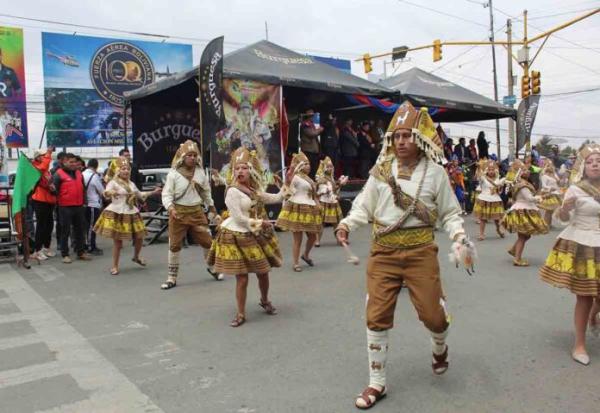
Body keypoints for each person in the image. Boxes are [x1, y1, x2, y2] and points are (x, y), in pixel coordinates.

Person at [335, 102, 472, 410]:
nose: (401, 142)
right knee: (376, 316)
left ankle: (440, 348)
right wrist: (346, 223)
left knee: (434, 318)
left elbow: (450, 213)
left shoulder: (435, 173)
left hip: (421, 252)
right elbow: (363, 207)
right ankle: (377, 383)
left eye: (407, 136)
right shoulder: (379, 172)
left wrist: (459, 237)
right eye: (396, 137)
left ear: (419, 138)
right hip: (383, 252)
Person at [207, 147, 288, 327]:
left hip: (253, 234)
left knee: (263, 272)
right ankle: (241, 313)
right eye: (237, 168)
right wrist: (261, 223)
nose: (240, 171)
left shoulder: (254, 189)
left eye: (244, 168)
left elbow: (275, 198)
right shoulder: (232, 191)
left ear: (250, 170)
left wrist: (286, 186)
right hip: (237, 235)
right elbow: (239, 219)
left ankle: (264, 300)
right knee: (242, 277)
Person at [539, 143, 600, 366]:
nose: (595, 165)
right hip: (583, 243)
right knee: (584, 295)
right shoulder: (576, 189)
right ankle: (580, 344)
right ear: (583, 167)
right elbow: (562, 218)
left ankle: (594, 316)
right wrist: (564, 208)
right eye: (591, 162)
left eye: (599, 161)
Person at [160, 140, 220, 290]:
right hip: (178, 214)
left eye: (195, 155)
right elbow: (166, 194)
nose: (192, 158)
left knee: (207, 241)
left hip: (197, 213)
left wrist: (212, 208)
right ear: (183, 157)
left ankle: (212, 267)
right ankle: (171, 278)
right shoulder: (173, 174)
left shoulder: (200, 173)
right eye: (189, 155)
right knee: (174, 245)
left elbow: (206, 192)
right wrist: (171, 208)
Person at [94, 157, 160, 275]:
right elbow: (105, 193)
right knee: (118, 242)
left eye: (128, 169)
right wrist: (111, 192)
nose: (126, 171)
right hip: (117, 213)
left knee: (139, 237)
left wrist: (153, 192)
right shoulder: (113, 182)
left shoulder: (131, 183)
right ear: (118, 170)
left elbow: (140, 195)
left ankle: (136, 257)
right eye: (123, 169)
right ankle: (114, 266)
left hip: (131, 212)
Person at [276, 151, 323, 272]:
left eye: (309, 163)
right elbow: (287, 184)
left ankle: (305, 255)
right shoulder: (296, 177)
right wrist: (291, 170)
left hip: (310, 208)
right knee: (298, 238)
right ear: (300, 165)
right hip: (298, 208)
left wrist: (317, 203)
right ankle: (296, 263)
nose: (309, 166)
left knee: (313, 236)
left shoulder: (309, 179)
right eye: (305, 163)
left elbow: (313, 195)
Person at [502, 160, 548, 266]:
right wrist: (540, 198)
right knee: (523, 236)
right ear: (519, 172)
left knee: (526, 236)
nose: (527, 171)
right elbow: (529, 198)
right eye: (524, 170)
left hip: (525, 209)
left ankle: (514, 250)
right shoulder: (522, 185)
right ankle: (517, 259)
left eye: (527, 170)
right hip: (523, 210)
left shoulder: (524, 183)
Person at [53, 153, 92, 263]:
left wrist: (85, 202)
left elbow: (83, 189)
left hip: (79, 206)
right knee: (65, 231)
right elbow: (54, 191)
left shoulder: (79, 173)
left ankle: (80, 252)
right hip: (65, 207)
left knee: (80, 230)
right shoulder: (58, 174)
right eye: (71, 162)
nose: (73, 164)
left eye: (75, 162)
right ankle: (65, 254)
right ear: (64, 162)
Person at [314, 156, 348, 247]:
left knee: (336, 222)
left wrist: (340, 184)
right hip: (324, 202)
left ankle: (338, 239)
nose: (330, 168)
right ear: (324, 167)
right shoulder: (322, 178)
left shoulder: (331, 177)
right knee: (321, 223)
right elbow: (324, 190)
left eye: (331, 166)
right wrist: (338, 185)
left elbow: (333, 190)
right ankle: (317, 240)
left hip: (332, 202)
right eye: (328, 166)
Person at [31, 147, 57, 261]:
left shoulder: (45, 169)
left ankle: (46, 248)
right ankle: (37, 250)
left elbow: (48, 180)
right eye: (43, 155)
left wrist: (52, 187)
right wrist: (49, 153)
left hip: (49, 200)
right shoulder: (35, 167)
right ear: (37, 157)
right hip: (40, 200)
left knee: (49, 225)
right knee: (41, 226)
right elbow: (42, 168)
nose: (46, 156)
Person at [473, 159, 505, 240]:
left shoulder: (498, 179)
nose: (491, 171)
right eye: (489, 170)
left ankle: (499, 230)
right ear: (487, 171)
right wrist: (479, 167)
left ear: (495, 171)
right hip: (484, 199)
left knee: (497, 219)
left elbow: (502, 184)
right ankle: (481, 234)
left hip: (495, 200)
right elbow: (479, 176)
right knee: (483, 218)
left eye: (492, 170)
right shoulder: (483, 178)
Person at [83, 159, 105, 255]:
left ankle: (87, 244)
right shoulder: (94, 176)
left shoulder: (82, 174)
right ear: (96, 166)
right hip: (92, 204)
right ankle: (91, 246)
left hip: (84, 204)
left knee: (86, 226)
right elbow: (102, 191)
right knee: (92, 226)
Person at [299, 109, 324, 178]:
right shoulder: (305, 124)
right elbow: (312, 134)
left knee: (315, 168)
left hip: (314, 150)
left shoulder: (311, 124)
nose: (312, 117)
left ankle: (313, 181)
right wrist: (319, 130)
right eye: (311, 116)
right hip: (308, 150)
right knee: (309, 168)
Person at [538, 159, 562, 227]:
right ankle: (546, 224)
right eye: (549, 166)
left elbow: (558, 181)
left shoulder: (553, 175)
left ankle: (549, 223)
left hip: (554, 193)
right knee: (548, 210)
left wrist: (554, 174)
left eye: (552, 166)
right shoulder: (544, 176)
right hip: (548, 194)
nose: (552, 167)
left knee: (551, 210)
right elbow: (544, 185)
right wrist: (550, 188)